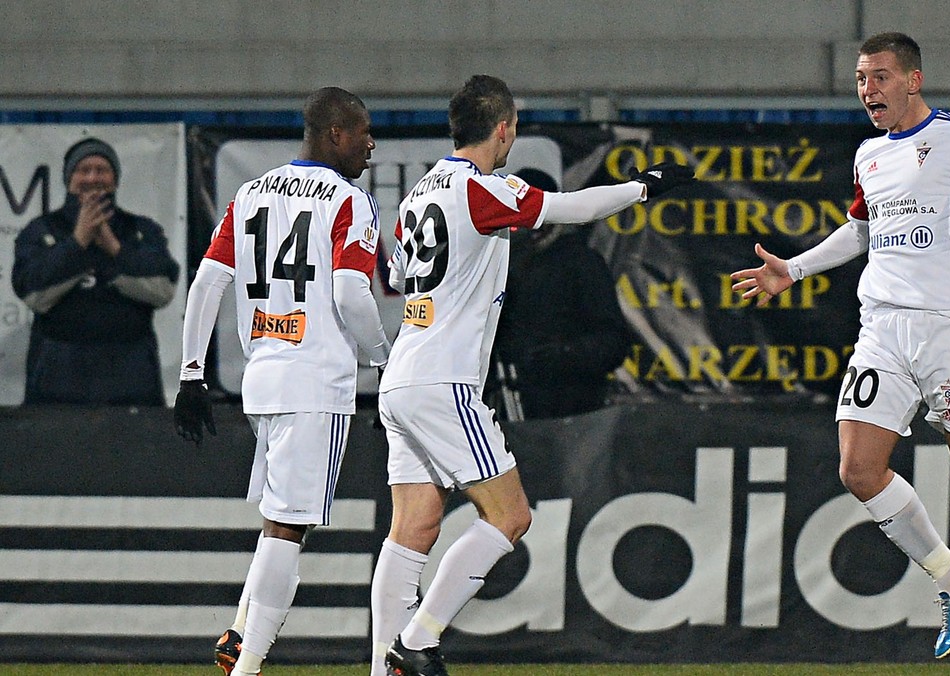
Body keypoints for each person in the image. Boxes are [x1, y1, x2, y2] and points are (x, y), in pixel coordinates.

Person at [731, 32, 950, 669]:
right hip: (882, 327)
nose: (867, 90)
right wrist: (791, 270)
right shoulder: (869, 154)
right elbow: (861, 228)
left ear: (913, 79)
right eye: (860, 78)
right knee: (857, 470)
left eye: (879, 77)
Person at [371, 74, 693, 676]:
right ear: (503, 128)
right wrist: (643, 187)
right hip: (444, 383)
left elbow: (404, 277)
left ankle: (382, 668)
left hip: (401, 378)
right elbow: (568, 209)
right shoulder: (480, 189)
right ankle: (416, 640)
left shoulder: (419, 194)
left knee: (411, 529)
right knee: (510, 516)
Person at [172, 86, 391, 675]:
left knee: (279, 521)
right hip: (316, 382)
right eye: (362, 131)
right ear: (334, 135)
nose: (371, 143)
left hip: (262, 378)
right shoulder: (348, 199)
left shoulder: (249, 192)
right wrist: (382, 356)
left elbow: (207, 283)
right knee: (289, 530)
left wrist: (192, 373)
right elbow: (350, 291)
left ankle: (240, 631)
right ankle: (246, 666)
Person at [11, 137, 180, 406]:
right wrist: (77, 244)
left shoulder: (140, 230)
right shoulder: (42, 230)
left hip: (131, 384)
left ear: (115, 179)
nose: (92, 177)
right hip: (57, 386)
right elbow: (33, 294)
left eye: (102, 170)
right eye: (83, 170)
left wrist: (114, 249)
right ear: (69, 179)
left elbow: (163, 289)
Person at [488, 168, 633, 420]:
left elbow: (613, 342)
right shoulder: (498, 263)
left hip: (570, 415)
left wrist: (562, 355)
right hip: (507, 410)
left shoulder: (580, 263)